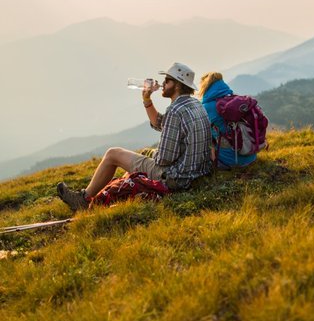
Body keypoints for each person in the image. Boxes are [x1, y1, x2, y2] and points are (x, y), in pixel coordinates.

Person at [57, 62, 212, 210]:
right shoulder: (196, 104)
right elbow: (161, 123)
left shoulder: (175, 111)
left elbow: (164, 159)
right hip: (197, 173)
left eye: (167, 80)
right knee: (144, 153)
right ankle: (110, 191)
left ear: (177, 84)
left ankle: (83, 200)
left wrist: (155, 154)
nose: (162, 84)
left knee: (113, 154)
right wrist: (147, 100)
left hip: (176, 179)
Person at [198, 72, 257, 169]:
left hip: (230, 162)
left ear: (205, 86)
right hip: (251, 157)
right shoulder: (233, 101)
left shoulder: (206, 107)